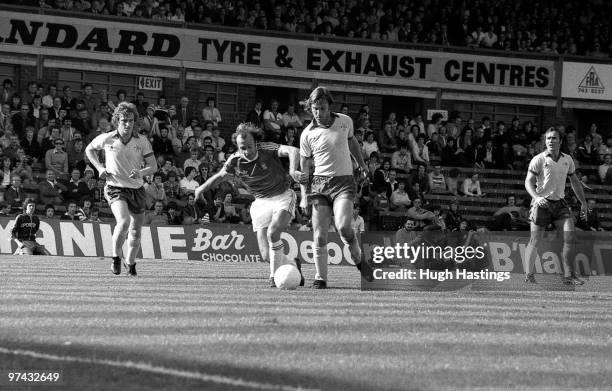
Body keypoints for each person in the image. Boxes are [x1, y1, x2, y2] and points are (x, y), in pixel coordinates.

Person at [195, 123, 304, 287]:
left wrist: (293, 170)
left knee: (274, 233)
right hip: (260, 202)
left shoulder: (266, 149)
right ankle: (293, 264)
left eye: (250, 147)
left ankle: (273, 278)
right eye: (242, 147)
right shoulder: (235, 160)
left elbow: (293, 150)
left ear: (256, 143)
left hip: (282, 196)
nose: (246, 151)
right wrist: (201, 189)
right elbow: (220, 176)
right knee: (266, 255)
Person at [298, 87, 372, 289]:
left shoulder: (344, 121)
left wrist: (362, 164)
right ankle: (320, 278)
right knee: (319, 235)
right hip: (320, 185)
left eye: (322, 108)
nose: (318, 113)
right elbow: (305, 168)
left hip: (344, 183)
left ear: (330, 106)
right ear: (310, 108)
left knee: (344, 228)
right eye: (314, 109)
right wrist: (304, 196)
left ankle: (359, 261)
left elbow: (352, 142)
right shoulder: (307, 134)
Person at [85, 102, 157, 277]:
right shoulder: (107, 138)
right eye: (124, 120)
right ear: (117, 120)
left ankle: (130, 262)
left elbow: (153, 166)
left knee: (136, 230)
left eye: (131, 121)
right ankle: (116, 257)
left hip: (137, 189)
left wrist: (141, 172)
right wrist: (100, 168)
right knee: (124, 222)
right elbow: (89, 150)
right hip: (115, 187)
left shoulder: (142, 141)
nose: (128, 124)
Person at [523, 128, 588, 286]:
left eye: (554, 138)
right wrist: (537, 198)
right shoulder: (538, 159)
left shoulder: (568, 159)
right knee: (535, 240)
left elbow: (575, 183)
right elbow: (528, 182)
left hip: (560, 204)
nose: (550, 141)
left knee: (569, 237)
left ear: (560, 140)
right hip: (541, 204)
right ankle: (529, 276)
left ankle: (568, 276)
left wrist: (584, 202)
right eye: (548, 138)